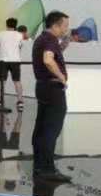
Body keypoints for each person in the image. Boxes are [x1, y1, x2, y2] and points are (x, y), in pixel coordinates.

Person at [31, 11, 72, 184]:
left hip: (43, 87)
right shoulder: (50, 40)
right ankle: (47, 169)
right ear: (55, 25)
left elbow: (53, 54)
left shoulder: (42, 38)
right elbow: (48, 60)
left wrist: (66, 42)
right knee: (51, 129)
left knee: (41, 127)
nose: (66, 30)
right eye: (64, 26)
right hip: (53, 89)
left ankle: (39, 165)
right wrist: (62, 77)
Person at [0, 17, 25, 110]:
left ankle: (0, 101)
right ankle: (20, 102)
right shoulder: (19, 35)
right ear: (16, 25)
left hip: (3, 60)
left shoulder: (0, 34)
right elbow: (20, 46)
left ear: (6, 24)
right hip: (15, 60)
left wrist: (1, 47)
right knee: (17, 81)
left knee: (2, 82)